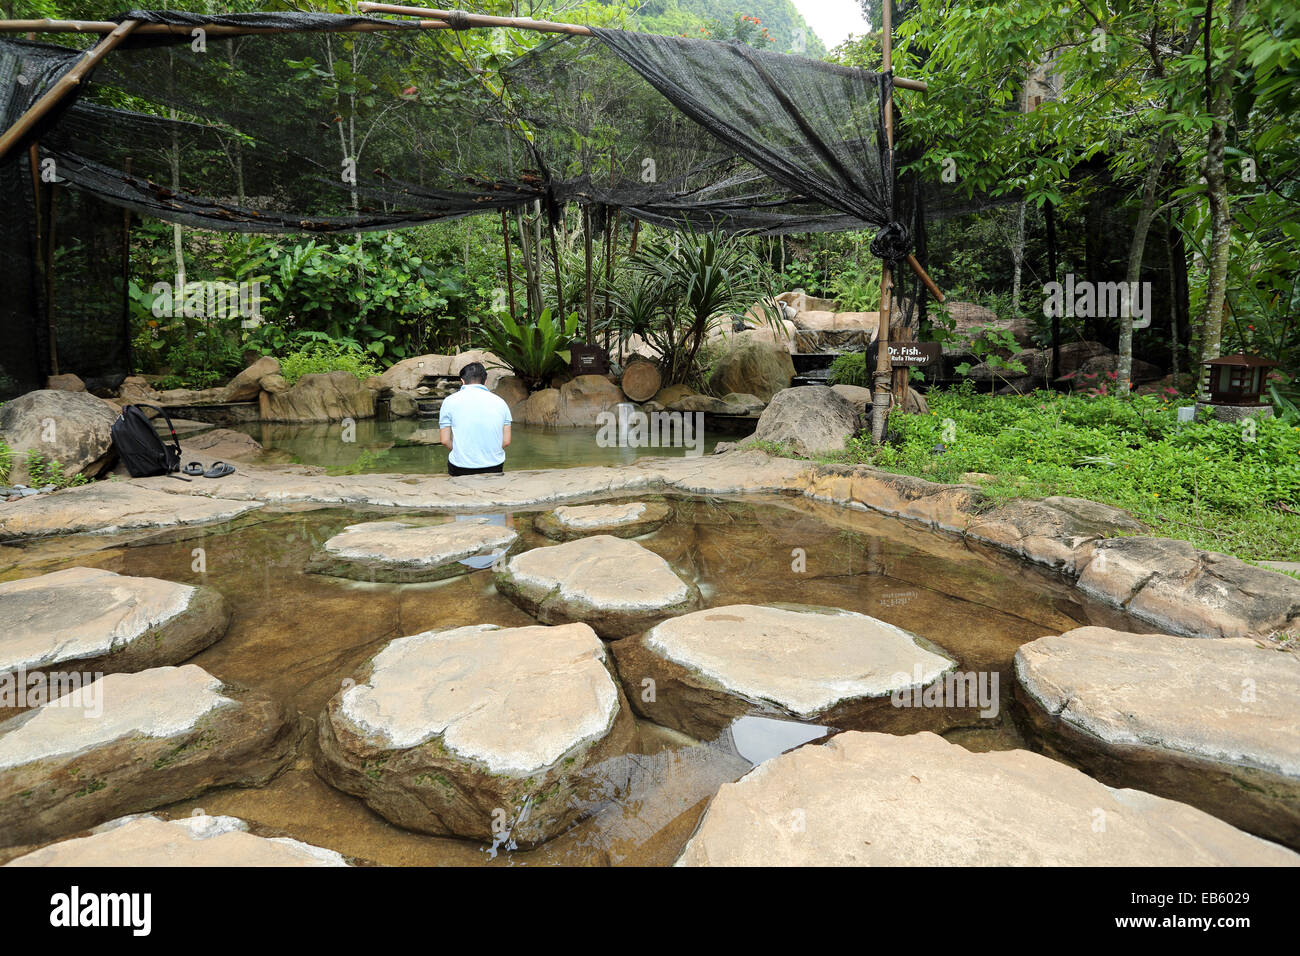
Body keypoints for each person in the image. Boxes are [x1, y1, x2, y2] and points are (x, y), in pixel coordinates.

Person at [438, 362, 511, 476]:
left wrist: (462, 451)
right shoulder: (501, 402)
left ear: (462, 381)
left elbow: (445, 440)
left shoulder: (449, 401)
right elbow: (506, 441)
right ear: (485, 381)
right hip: (494, 466)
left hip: (461, 467)